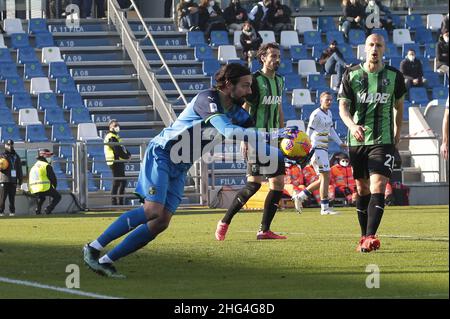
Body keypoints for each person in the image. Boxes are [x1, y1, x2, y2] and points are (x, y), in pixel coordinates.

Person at [83, 63, 296, 277]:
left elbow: (257, 139)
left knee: (161, 222)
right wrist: (273, 135)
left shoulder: (238, 113)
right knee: (152, 211)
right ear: (229, 84)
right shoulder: (208, 99)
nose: (250, 92)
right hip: (162, 154)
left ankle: (105, 261)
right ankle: (93, 247)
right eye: (246, 86)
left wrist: (286, 151)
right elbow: (229, 131)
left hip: (181, 164)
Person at [338, 34, 406, 252]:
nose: (374, 48)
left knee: (378, 185)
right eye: (371, 45)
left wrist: (397, 134)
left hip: (383, 140)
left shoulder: (394, 76)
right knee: (361, 188)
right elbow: (343, 108)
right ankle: (363, 237)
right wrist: (352, 126)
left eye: (378, 45)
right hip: (357, 139)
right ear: (364, 49)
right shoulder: (352, 74)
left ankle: (370, 236)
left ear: (384, 49)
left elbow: (399, 108)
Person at [216, 43, 288, 241]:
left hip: (273, 139)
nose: (276, 59)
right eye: (273, 55)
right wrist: (244, 137)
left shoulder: (280, 80)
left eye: (278, 56)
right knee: (255, 185)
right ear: (263, 58)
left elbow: (279, 107)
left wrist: (281, 134)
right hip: (256, 138)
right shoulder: (254, 81)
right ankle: (225, 222)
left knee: (275, 183)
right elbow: (244, 106)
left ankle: (263, 230)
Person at [292, 92, 347, 215]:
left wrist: (340, 143)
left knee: (324, 178)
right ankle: (324, 208)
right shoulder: (316, 114)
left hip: (323, 149)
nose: (329, 102)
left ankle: (300, 196)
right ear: (321, 101)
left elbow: (331, 130)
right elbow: (308, 132)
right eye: (327, 100)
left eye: (331, 100)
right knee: (326, 177)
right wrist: (307, 149)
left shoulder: (329, 113)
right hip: (317, 149)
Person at [104, 119, 131, 206]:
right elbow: (117, 149)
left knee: (120, 181)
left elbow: (122, 147)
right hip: (115, 161)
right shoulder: (111, 136)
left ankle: (118, 202)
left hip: (118, 161)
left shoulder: (115, 136)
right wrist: (126, 156)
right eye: (115, 125)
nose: (117, 127)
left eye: (117, 125)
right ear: (110, 126)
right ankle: (116, 202)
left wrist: (128, 154)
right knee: (119, 181)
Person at [28, 149, 62, 215]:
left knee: (41, 197)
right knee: (57, 196)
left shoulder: (34, 166)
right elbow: (52, 178)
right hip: (44, 186)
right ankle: (48, 209)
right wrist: (54, 186)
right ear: (43, 155)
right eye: (48, 155)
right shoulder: (46, 165)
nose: (50, 157)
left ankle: (37, 210)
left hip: (34, 188)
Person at [0, 140, 23, 217]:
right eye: (8, 145)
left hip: (13, 180)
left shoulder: (16, 156)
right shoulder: (1, 155)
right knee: (2, 198)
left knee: (12, 198)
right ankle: (1, 212)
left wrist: (20, 181)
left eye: (11, 145)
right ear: (5, 145)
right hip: (4, 180)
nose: (10, 146)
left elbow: (19, 169)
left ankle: (12, 212)